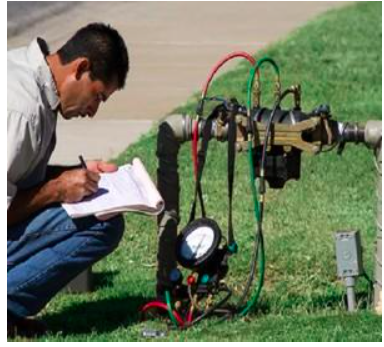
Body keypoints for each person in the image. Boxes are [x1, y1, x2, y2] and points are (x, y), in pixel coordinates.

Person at [7, 23, 129, 338]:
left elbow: (17, 178)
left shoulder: (29, 78)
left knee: (102, 215)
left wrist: (73, 174)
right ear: (81, 68)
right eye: (97, 96)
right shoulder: (22, 111)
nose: (93, 111)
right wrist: (58, 188)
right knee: (102, 225)